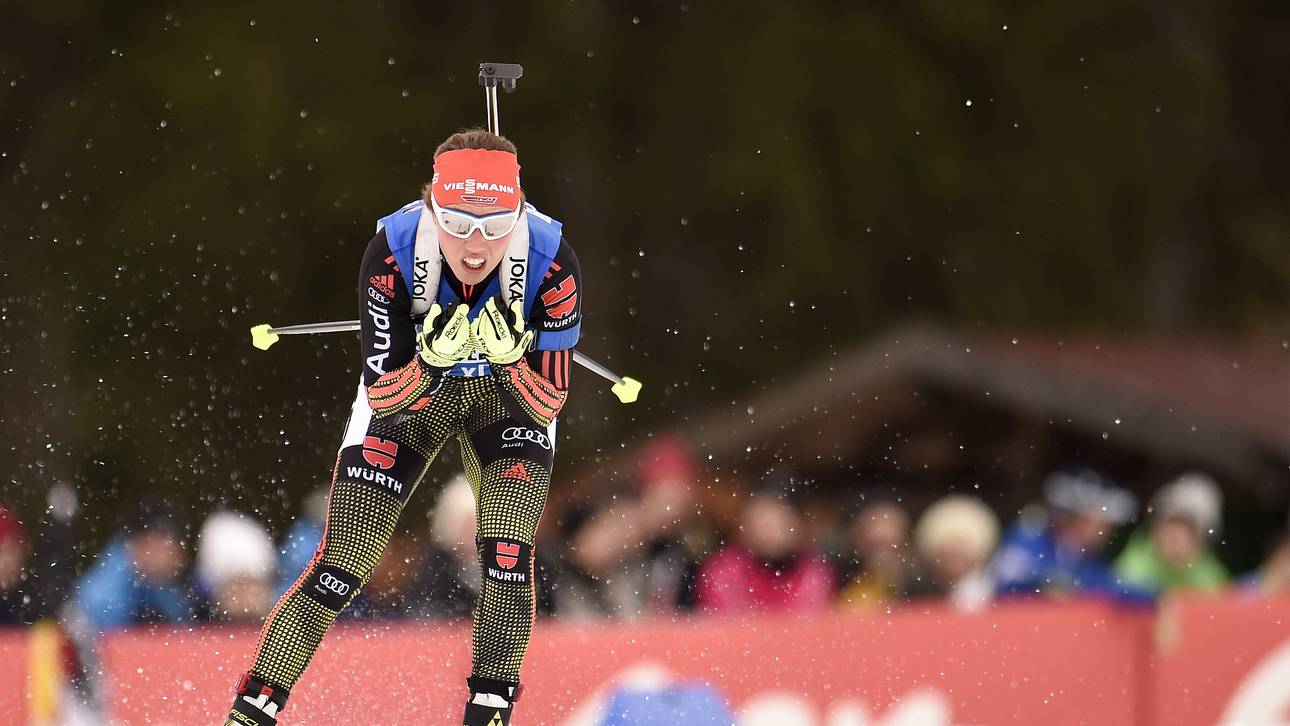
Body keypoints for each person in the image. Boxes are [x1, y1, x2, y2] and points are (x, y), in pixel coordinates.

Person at [226, 129, 583, 726]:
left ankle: (489, 712)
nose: (476, 245)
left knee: (506, 553)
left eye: (495, 227)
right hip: (415, 395)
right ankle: (253, 708)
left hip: (504, 403)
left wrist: (509, 359)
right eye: (459, 223)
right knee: (345, 558)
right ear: (431, 208)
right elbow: (384, 394)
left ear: (518, 214)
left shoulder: (551, 260)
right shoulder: (392, 253)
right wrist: (434, 362)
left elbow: (548, 400)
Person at [991, 468, 1148, 602]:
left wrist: (1156, 598)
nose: (1106, 532)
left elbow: (1112, 590)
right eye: (1099, 522)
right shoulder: (1030, 537)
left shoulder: (1089, 561)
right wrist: (1044, 584)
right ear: (1076, 516)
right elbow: (1006, 582)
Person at [695, 473, 835, 615]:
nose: (766, 530)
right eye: (760, 520)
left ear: (798, 524)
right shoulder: (722, 571)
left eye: (777, 520)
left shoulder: (814, 573)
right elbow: (728, 625)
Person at [1114, 472, 1229, 596]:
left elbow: (1220, 605)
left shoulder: (1211, 577)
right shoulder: (1135, 563)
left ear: (1201, 541)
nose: (1174, 537)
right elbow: (1120, 594)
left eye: (1187, 530)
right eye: (1170, 525)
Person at [912, 495, 999, 611]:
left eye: (963, 545)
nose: (955, 551)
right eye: (949, 545)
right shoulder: (915, 592)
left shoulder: (998, 592)